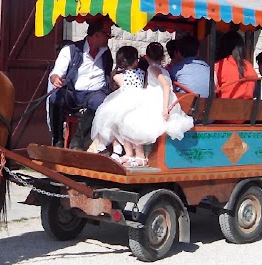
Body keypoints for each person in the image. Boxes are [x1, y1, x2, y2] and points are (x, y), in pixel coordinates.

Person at [92, 42, 194, 167]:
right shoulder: (157, 70)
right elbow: (147, 85)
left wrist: (164, 108)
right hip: (154, 98)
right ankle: (129, 153)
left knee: (131, 123)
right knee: (127, 121)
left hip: (157, 100)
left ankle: (136, 154)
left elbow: (165, 85)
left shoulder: (152, 69)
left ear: (146, 57)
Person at [48, 19, 114, 149]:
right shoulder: (71, 50)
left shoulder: (106, 53)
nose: (109, 38)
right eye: (107, 34)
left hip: (95, 93)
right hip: (73, 93)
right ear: (97, 35)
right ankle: (57, 140)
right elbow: (55, 73)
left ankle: (78, 141)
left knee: (101, 102)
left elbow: (108, 73)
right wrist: (55, 79)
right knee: (55, 98)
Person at [89, 45, 144, 158]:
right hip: (138, 103)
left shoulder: (117, 76)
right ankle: (116, 148)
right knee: (113, 120)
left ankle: (109, 146)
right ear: (134, 60)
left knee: (107, 118)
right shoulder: (142, 73)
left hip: (125, 102)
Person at [214, 31, 256, 99]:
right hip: (248, 108)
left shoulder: (218, 66)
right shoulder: (249, 66)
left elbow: (213, 92)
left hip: (223, 107)